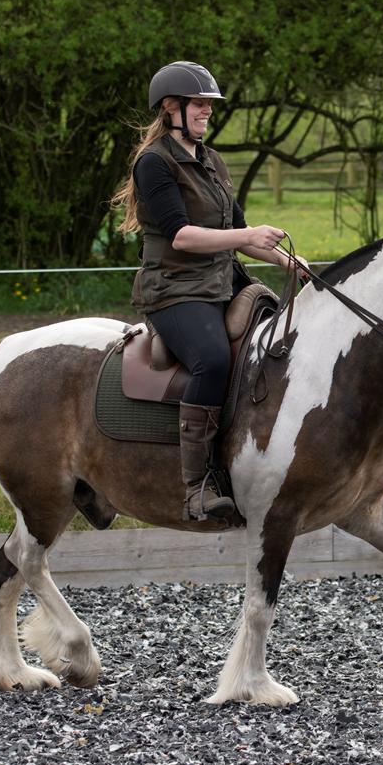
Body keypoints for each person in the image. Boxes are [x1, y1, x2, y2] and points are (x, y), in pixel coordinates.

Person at [110, 61, 307, 523]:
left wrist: (290, 263)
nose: (206, 113)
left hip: (222, 285)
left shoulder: (211, 160)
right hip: (173, 291)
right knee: (213, 358)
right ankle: (197, 485)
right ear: (170, 108)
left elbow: (239, 230)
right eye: (199, 104)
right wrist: (247, 237)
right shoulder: (153, 163)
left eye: (208, 106)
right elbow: (181, 236)